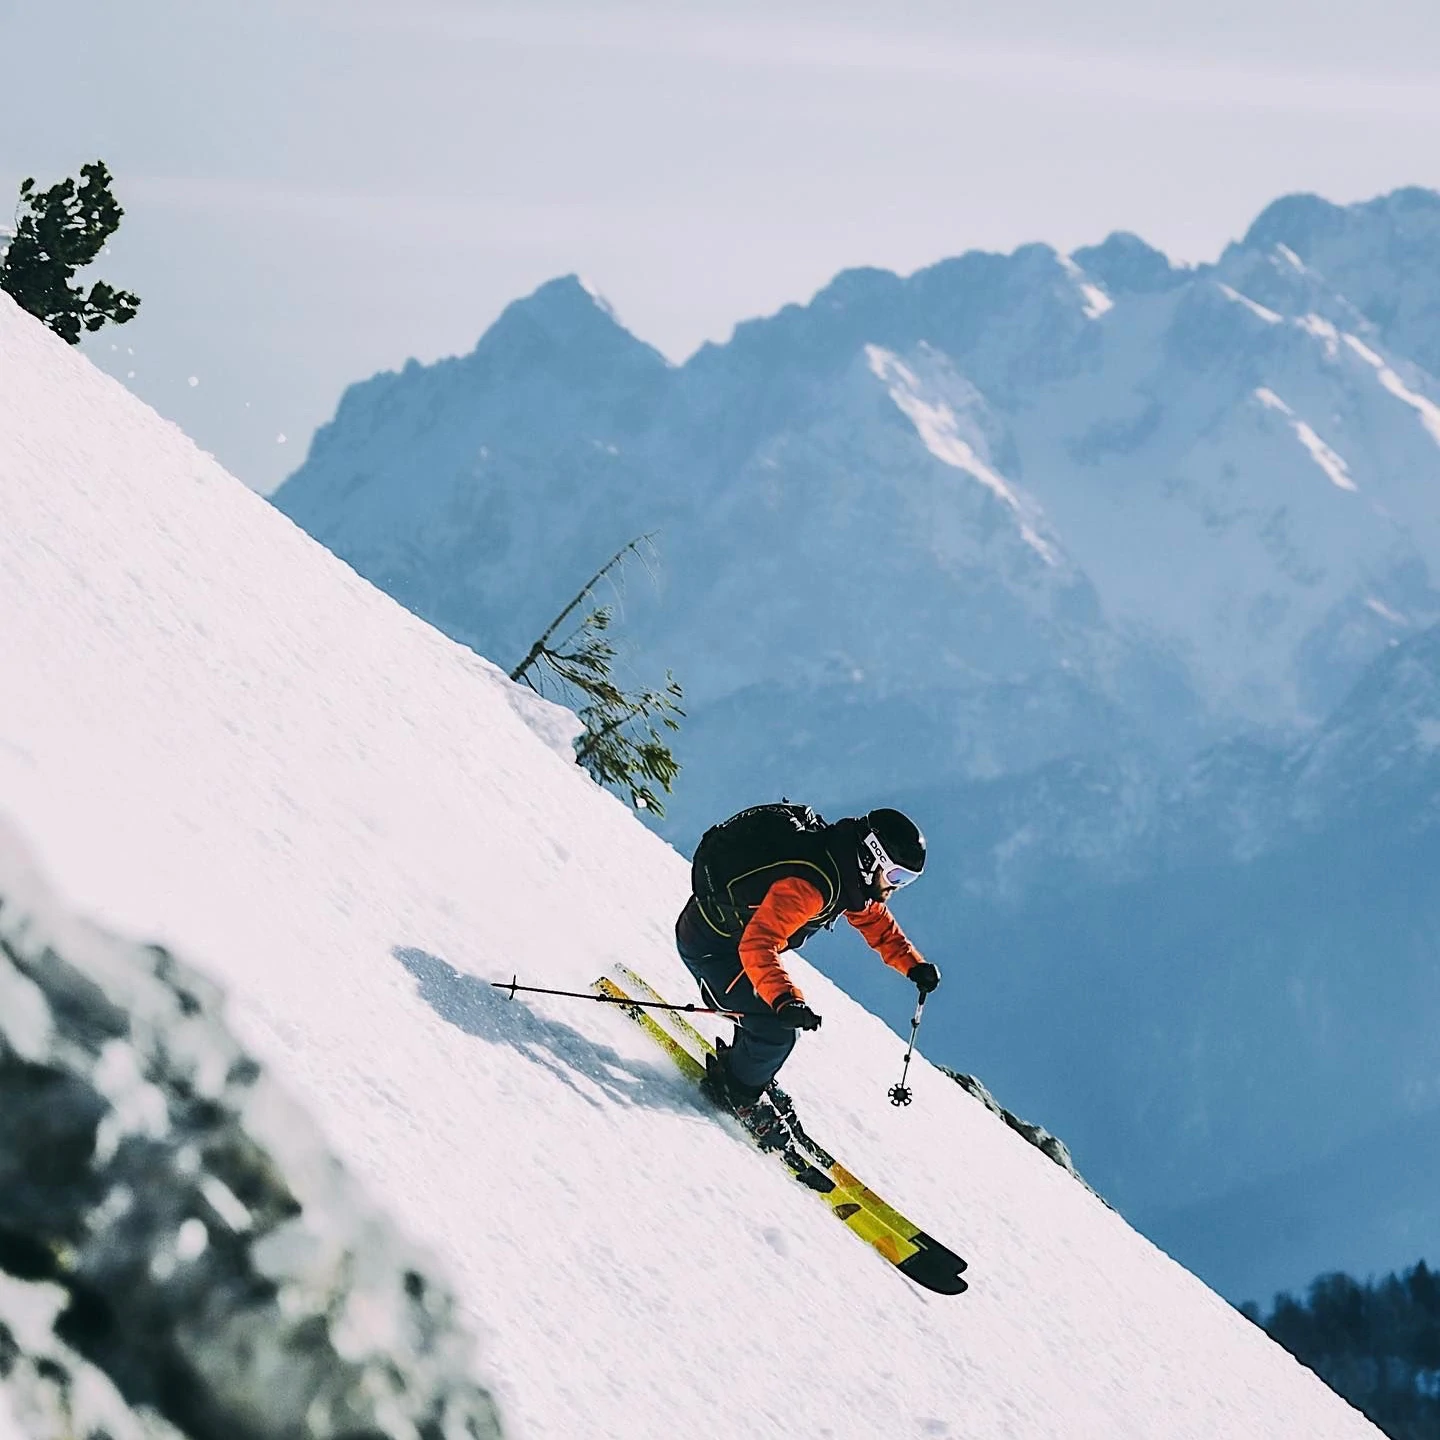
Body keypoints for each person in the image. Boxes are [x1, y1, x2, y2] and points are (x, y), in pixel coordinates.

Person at [675, 803, 940, 1117]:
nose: (895, 887)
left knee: (768, 1022)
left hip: (731, 945)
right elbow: (758, 945)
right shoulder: (810, 887)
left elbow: (874, 921)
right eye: (896, 875)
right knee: (776, 1031)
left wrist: (913, 964)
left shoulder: (844, 872)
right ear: (871, 858)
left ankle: (746, 1069)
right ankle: (732, 1094)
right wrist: (786, 1001)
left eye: (906, 880)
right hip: (713, 949)